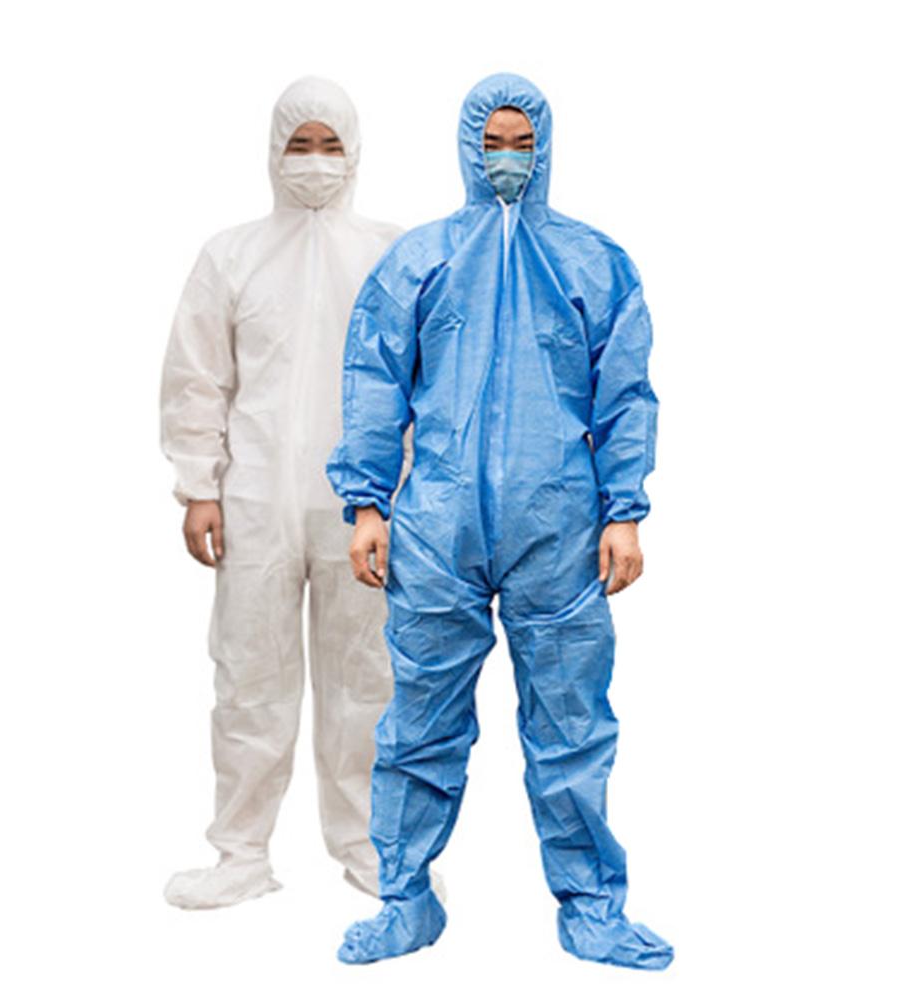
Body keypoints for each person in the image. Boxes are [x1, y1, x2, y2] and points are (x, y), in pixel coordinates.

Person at [326, 73, 673, 969]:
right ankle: (405, 898)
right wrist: (366, 504)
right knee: (419, 722)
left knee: (571, 725)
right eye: (493, 142)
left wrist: (624, 512)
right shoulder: (419, 259)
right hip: (436, 527)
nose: (507, 158)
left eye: (522, 142)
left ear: (544, 149)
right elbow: (373, 379)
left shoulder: (593, 262)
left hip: (557, 527)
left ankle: (591, 905)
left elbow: (624, 393)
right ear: (466, 148)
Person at [159, 76, 405, 909]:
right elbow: (198, 375)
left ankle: (371, 845)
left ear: (354, 153)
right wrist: (199, 486)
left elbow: (417, 382)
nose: (314, 161)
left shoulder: (390, 253)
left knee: (366, 680)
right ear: (273, 151)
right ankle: (239, 852)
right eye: (300, 144)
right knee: (249, 679)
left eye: (329, 145)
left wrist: (402, 495)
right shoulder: (230, 255)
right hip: (255, 499)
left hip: (363, 506)